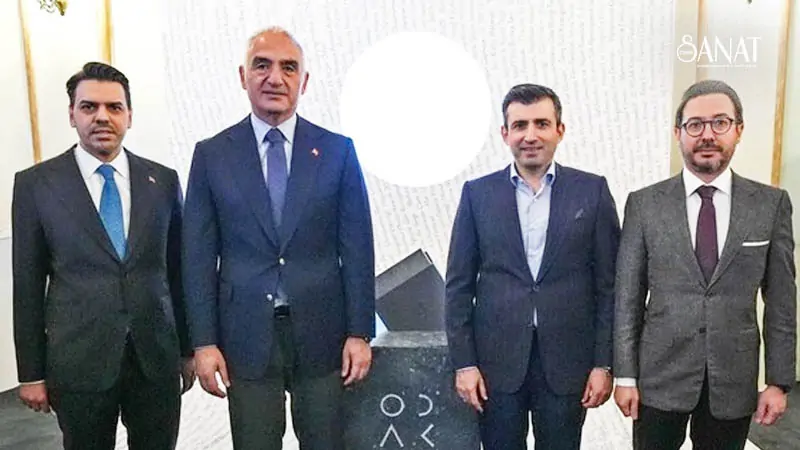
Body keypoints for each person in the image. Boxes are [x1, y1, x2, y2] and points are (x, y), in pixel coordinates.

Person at [182, 27, 375, 449]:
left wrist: (360, 333)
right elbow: (197, 257)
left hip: (324, 337)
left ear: (303, 81)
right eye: (262, 65)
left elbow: (358, 249)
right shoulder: (212, 155)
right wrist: (203, 342)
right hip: (244, 337)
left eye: (289, 68)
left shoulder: (338, 151)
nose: (275, 78)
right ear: (243, 76)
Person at [12, 61, 194, 450]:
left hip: (155, 359)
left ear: (129, 115)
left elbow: (178, 273)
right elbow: (27, 285)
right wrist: (30, 373)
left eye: (114, 107)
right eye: (89, 107)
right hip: (79, 363)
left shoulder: (162, 181)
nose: (102, 117)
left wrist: (188, 350)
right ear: (72, 115)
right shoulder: (36, 185)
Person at [614, 79, 797, 450]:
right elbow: (627, 298)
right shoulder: (644, 205)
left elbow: (781, 302)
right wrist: (626, 376)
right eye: (695, 125)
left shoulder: (770, 205)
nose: (707, 134)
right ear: (678, 133)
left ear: (738, 130)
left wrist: (778, 382)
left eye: (720, 122)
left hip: (733, 379)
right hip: (658, 378)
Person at [445, 83, 621, 450]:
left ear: (560, 130)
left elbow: (609, 287)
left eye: (541, 123)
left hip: (568, 364)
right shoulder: (477, 195)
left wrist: (603, 364)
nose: (530, 135)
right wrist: (464, 363)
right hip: (495, 365)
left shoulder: (592, 191)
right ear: (504, 133)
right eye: (520, 125)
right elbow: (459, 287)